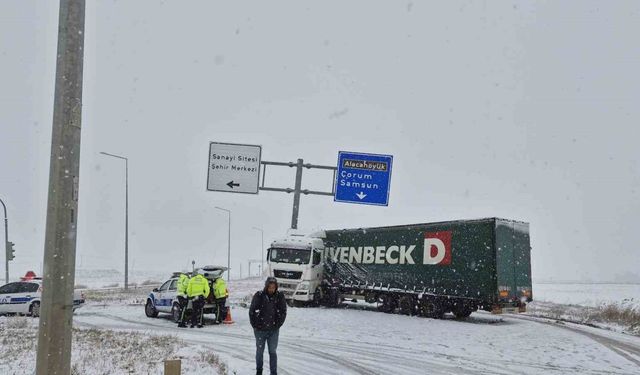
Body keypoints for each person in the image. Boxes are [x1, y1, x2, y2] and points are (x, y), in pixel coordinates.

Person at [249, 277, 287, 375]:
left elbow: (283, 312)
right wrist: (255, 325)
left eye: (273, 287)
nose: (271, 289)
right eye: (269, 287)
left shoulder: (280, 297)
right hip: (260, 330)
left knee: (272, 352)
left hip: (273, 331)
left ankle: (273, 372)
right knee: (259, 352)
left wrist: (278, 324)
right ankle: (259, 371)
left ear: (276, 287)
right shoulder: (259, 296)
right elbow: (252, 311)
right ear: (266, 286)